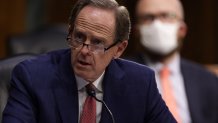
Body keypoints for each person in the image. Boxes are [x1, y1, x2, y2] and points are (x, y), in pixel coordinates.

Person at [2, 0, 176, 122]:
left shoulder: (140, 82)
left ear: (119, 49)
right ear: (70, 32)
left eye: (98, 43)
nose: (84, 51)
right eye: (79, 37)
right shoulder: (32, 77)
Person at [129, 0, 218, 123]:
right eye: (148, 18)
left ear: (182, 29)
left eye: (166, 16)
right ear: (137, 31)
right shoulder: (118, 76)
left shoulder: (209, 80)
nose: (157, 25)